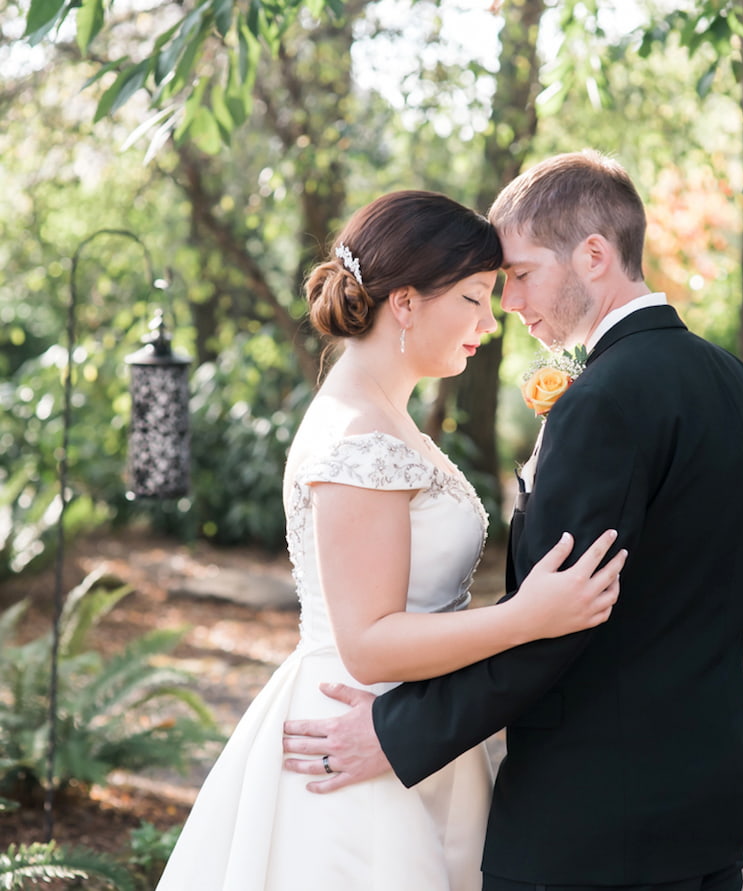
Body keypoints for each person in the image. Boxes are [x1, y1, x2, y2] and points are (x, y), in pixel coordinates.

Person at [283, 152, 743, 890]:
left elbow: (555, 625)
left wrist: (396, 734)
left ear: (595, 256)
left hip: (583, 827)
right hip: (712, 816)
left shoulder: (600, 403)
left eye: (521, 274)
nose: (508, 303)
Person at [155, 190, 627, 891]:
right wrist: (528, 618)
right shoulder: (359, 436)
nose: (489, 322)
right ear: (404, 303)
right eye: (472, 299)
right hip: (360, 732)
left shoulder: (383, 416)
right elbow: (369, 641)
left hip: (411, 728)